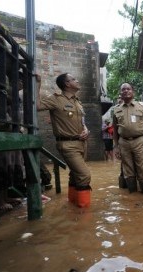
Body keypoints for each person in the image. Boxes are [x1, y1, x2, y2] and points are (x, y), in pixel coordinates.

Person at [36, 73, 91, 208]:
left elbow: (82, 121)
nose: (77, 80)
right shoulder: (56, 99)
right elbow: (37, 106)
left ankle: (73, 202)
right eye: (74, 79)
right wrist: (38, 83)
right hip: (67, 144)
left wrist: (86, 129)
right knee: (84, 174)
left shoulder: (77, 101)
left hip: (82, 142)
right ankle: (84, 210)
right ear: (67, 84)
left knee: (75, 174)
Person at [112, 83, 143, 194]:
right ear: (121, 93)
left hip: (139, 140)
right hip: (123, 142)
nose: (125, 91)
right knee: (127, 168)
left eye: (128, 89)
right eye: (123, 89)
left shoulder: (141, 107)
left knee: (142, 166)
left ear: (133, 91)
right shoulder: (116, 109)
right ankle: (132, 194)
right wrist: (116, 146)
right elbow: (115, 129)